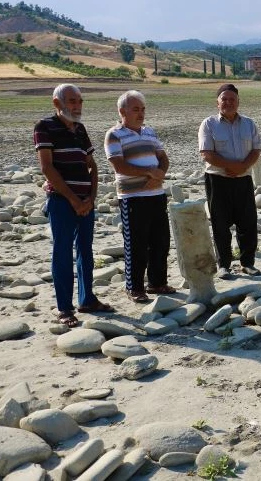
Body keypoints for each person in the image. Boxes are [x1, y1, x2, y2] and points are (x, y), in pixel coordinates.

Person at [34, 83, 114, 327]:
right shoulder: (44, 126)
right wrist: (73, 199)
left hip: (85, 202)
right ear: (56, 103)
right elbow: (47, 167)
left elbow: (92, 165)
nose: (77, 106)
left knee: (86, 251)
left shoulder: (80, 129)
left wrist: (91, 197)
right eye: (72, 101)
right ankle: (65, 309)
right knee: (62, 252)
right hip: (61, 201)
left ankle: (87, 299)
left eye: (80, 101)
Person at [105, 90, 175, 303]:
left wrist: (159, 174)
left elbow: (163, 158)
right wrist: (149, 173)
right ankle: (134, 287)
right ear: (122, 111)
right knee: (136, 245)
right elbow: (119, 165)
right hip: (132, 197)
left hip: (156, 194)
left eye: (143, 109)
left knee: (160, 241)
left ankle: (157, 283)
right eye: (135, 109)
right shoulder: (114, 134)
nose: (141, 113)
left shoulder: (150, 132)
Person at [198, 83, 261, 279]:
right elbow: (206, 153)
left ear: (238, 102)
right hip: (218, 180)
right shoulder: (208, 124)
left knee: (248, 223)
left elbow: (256, 150)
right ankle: (223, 265)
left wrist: (243, 167)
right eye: (224, 99)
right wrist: (232, 166)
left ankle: (248, 263)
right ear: (217, 103)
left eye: (232, 99)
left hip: (243, 180)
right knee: (220, 224)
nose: (228, 103)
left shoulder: (249, 124)